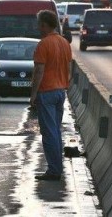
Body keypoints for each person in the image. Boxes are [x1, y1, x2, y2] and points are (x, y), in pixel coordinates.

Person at [30, 10, 73, 181]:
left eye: (39, 24)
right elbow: (69, 71)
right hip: (60, 91)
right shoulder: (64, 43)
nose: (37, 27)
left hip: (46, 92)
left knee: (49, 133)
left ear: (44, 25)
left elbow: (39, 71)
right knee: (55, 130)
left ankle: (54, 170)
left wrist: (33, 95)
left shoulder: (43, 44)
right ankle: (58, 166)